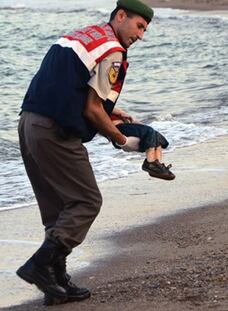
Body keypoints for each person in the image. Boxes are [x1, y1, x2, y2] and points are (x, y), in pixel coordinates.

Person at [16, 0, 154, 305]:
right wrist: (122, 140)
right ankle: (39, 265)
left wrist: (111, 111)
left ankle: (55, 283)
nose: (141, 35)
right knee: (86, 201)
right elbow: (92, 110)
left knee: (57, 209)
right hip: (55, 132)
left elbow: (70, 85)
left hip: (28, 124)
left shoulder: (83, 35)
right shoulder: (113, 51)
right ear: (121, 16)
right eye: (139, 26)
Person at [111, 114, 175, 180]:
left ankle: (157, 166)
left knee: (157, 137)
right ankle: (150, 163)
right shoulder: (106, 106)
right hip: (117, 128)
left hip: (125, 125)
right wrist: (121, 113)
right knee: (149, 131)